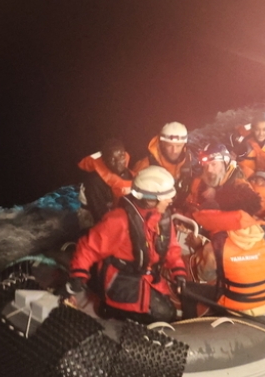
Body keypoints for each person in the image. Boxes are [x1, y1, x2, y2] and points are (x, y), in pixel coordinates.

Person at [67, 166, 188, 324]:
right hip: (123, 283)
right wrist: (77, 277)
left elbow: (171, 248)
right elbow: (88, 247)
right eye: (166, 196)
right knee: (163, 316)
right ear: (150, 199)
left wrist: (178, 272)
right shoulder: (119, 221)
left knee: (168, 312)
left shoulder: (162, 218)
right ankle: (111, 310)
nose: (170, 200)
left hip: (149, 279)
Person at [180, 208, 265, 334]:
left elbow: (205, 276)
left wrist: (199, 248)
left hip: (234, 309)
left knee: (189, 289)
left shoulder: (216, 244)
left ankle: (189, 331)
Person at [132, 122, 196, 208]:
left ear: (184, 145)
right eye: (169, 145)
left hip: (179, 208)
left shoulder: (188, 160)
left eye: (178, 146)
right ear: (162, 144)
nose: (174, 151)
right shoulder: (145, 165)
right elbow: (135, 198)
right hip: (155, 212)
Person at [77, 138, 133, 222]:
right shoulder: (94, 182)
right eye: (112, 159)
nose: (118, 162)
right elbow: (99, 214)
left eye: (121, 156)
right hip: (90, 211)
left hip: (112, 206)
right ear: (105, 161)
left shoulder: (127, 173)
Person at [185, 144, 247, 214]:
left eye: (213, 164)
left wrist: (217, 196)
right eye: (206, 166)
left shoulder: (239, 183)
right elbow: (189, 203)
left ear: (225, 163)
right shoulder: (198, 182)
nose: (209, 170)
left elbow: (243, 214)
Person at [234, 114, 265, 179]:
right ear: (253, 129)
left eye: (264, 129)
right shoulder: (244, 144)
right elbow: (235, 161)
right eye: (257, 129)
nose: (261, 133)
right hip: (248, 178)